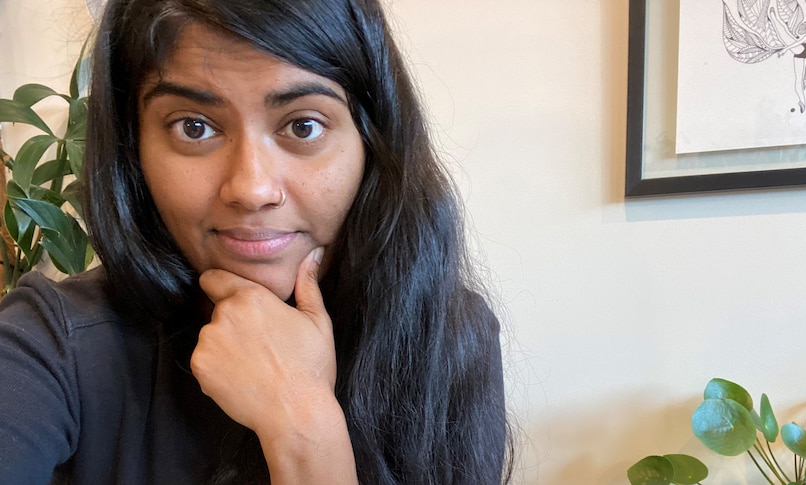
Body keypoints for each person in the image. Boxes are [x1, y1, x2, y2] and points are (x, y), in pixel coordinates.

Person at [0, 0, 513, 483]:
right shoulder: (50, 346)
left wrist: (304, 426)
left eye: (304, 125)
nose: (251, 189)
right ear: (135, 151)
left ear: (371, 143)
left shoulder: (450, 333)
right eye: (194, 127)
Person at [721, 0, 806, 113]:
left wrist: (785, 49)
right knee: (798, 79)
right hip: (803, 54)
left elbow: (800, 39)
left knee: (797, 77)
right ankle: (802, 100)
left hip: (802, 53)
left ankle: (801, 100)